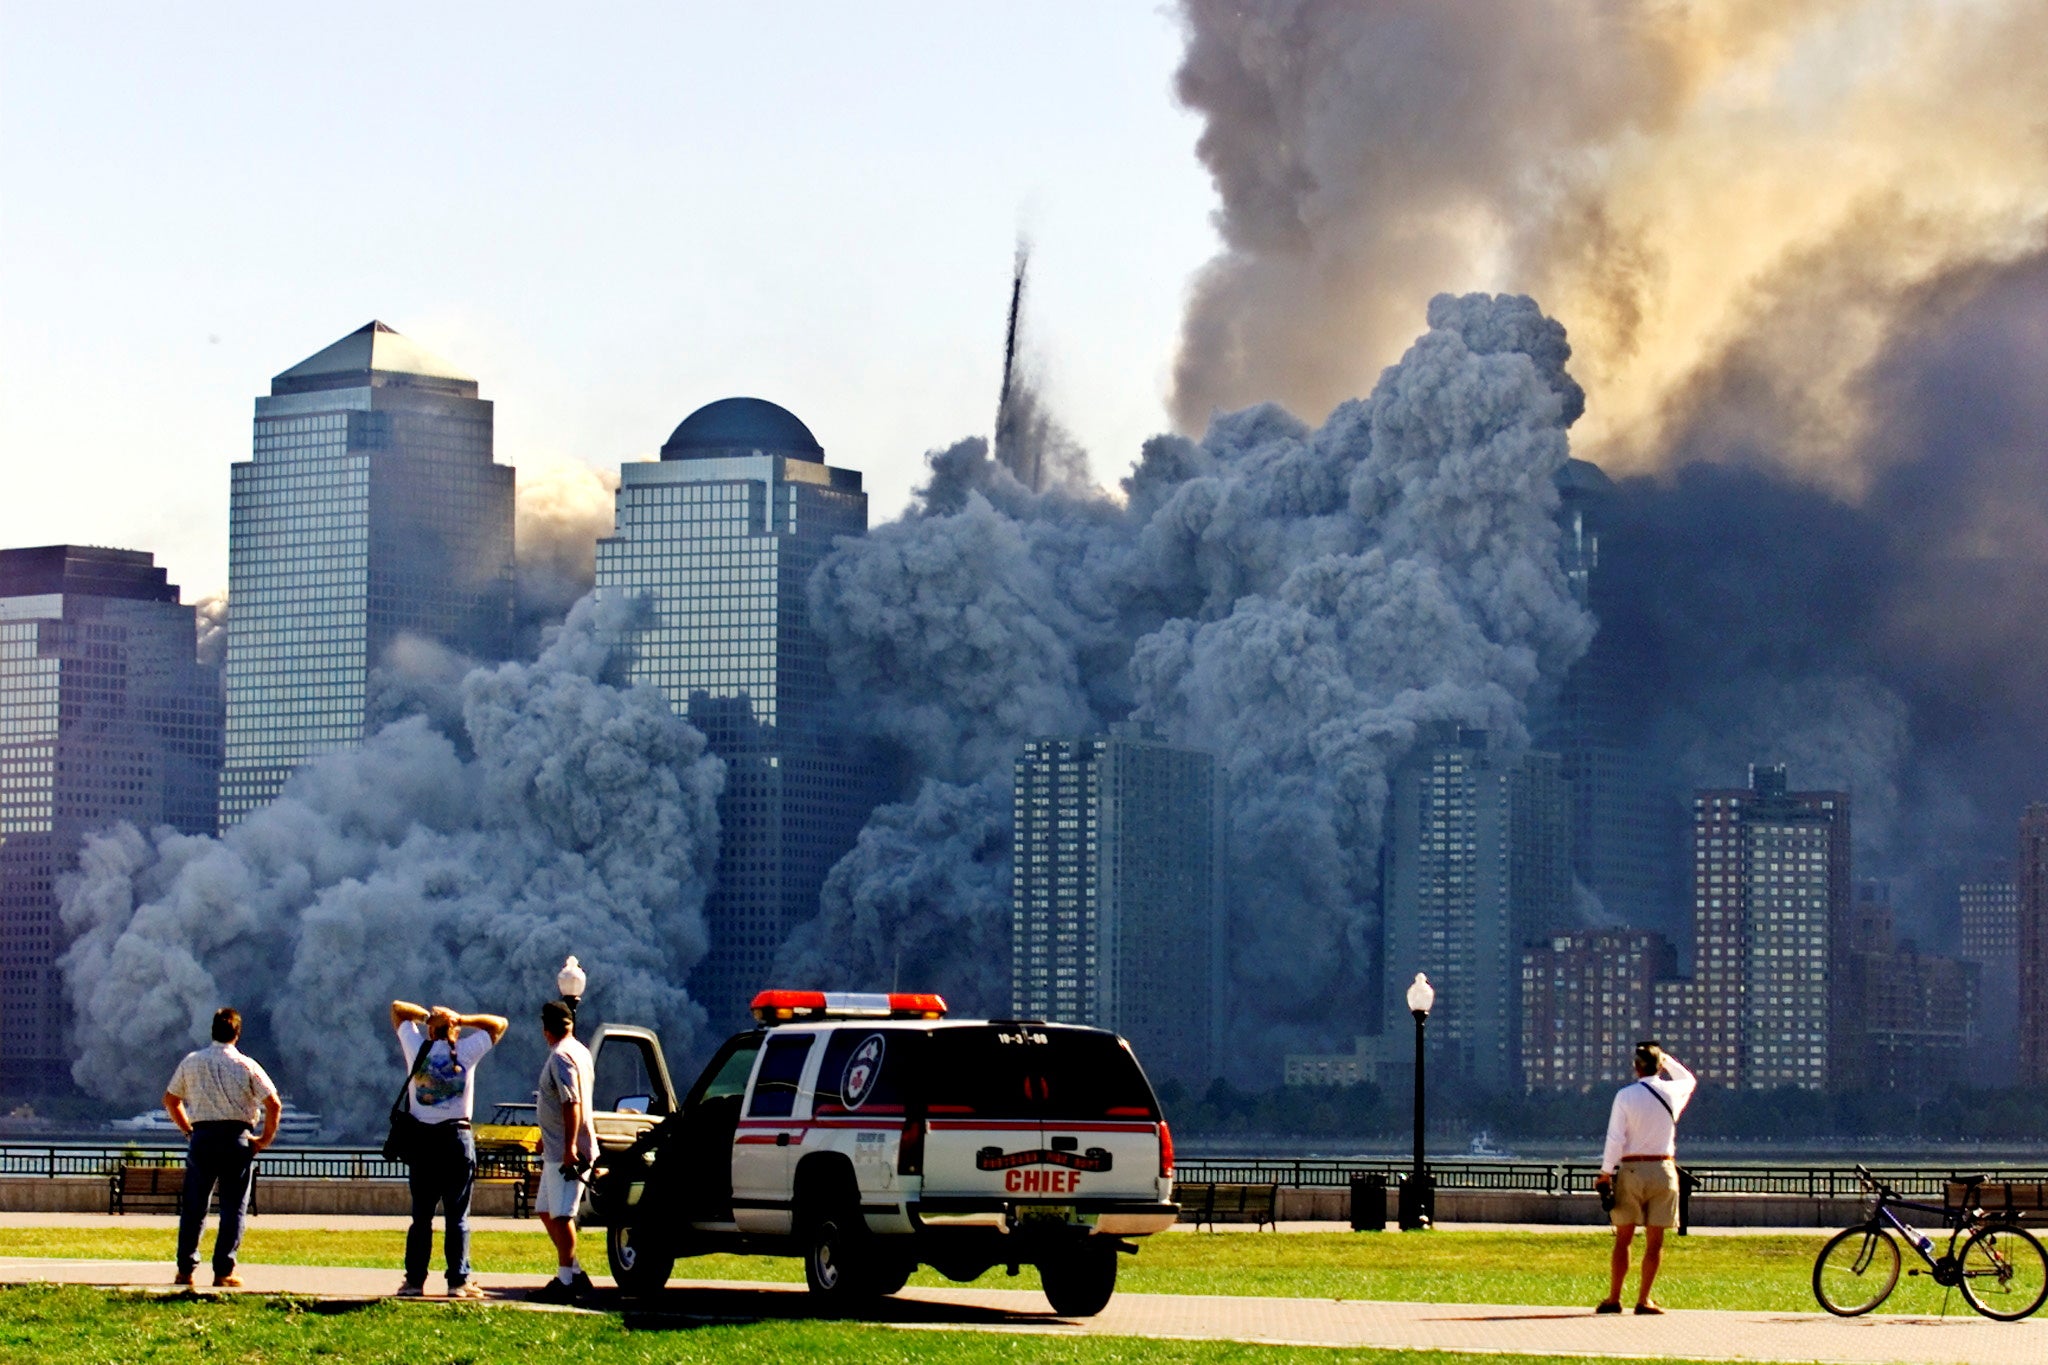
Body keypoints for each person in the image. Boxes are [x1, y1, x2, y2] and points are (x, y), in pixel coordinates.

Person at [391, 998, 507, 1299]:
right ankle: (458, 1281)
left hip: (422, 1142)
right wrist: (460, 1019)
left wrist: (430, 1016)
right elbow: (499, 1024)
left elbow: (397, 1009)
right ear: (453, 1031)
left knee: (421, 1218)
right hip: (456, 1139)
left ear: (430, 1032)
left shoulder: (417, 1049)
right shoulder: (467, 1051)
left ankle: (414, 1281)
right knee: (457, 1216)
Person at [162, 1007, 282, 1288]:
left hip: (201, 1138)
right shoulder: (246, 1065)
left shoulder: (191, 1062)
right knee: (232, 1209)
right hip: (235, 1139)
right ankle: (223, 1271)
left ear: (212, 1031)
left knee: (194, 1207)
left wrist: (187, 1130)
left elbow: (170, 1099)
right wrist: (264, 1140)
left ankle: (185, 1270)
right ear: (237, 1034)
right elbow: (273, 1103)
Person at [1594, 1041, 1696, 1315]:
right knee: (1655, 1241)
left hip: (1632, 1169)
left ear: (1636, 1067)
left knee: (1623, 1239)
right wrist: (1668, 1060)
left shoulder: (1625, 1096)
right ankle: (1644, 1299)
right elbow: (1688, 1079)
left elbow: (1615, 1139)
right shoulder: (1673, 1092)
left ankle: (1614, 1298)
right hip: (1664, 1170)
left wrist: (1605, 1173)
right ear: (1658, 1065)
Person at [528, 999, 599, 1303]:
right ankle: (577, 1273)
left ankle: (565, 1282)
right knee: (546, 1210)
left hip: (566, 1154)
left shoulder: (561, 1056)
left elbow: (572, 1103)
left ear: (546, 1030)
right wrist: (548, 1136)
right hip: (556, 1146)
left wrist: (569, 1147)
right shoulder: (580, 1051)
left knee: (561, 1215)